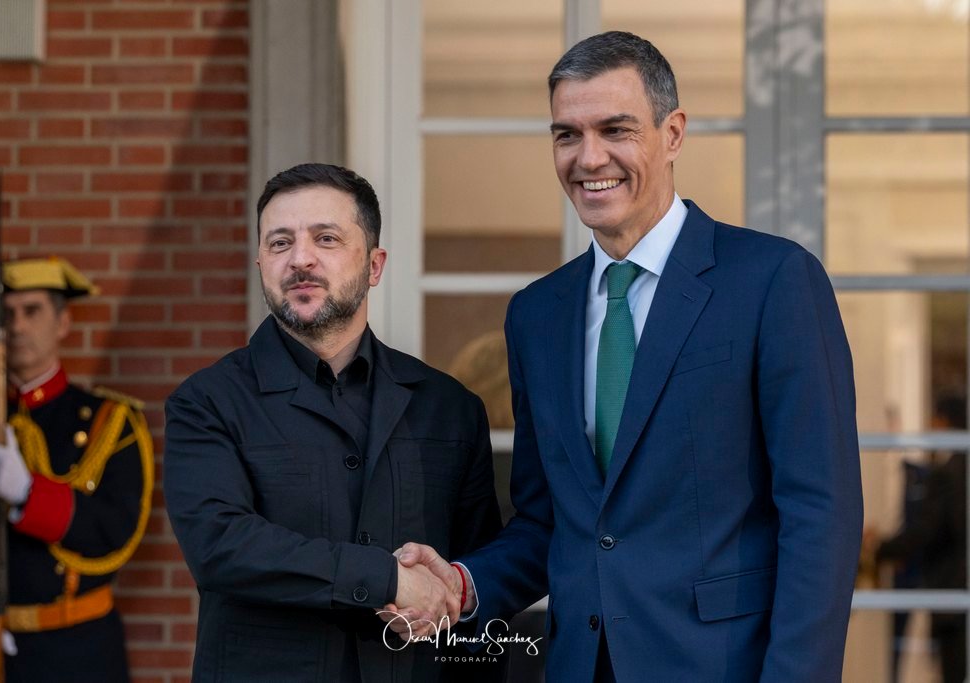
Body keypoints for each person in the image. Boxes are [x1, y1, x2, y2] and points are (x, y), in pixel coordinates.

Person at [394, 31, 863, 681]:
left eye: (615, 129)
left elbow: (820, 515)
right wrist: (464, 583)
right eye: (567, 135)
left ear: (672, 134)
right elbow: (549, 521)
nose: (589, 158)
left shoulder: (773, 281)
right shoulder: (536, 314)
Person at [163, 163, 503, 682]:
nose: (300, 259)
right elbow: (220, 545)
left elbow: (477, 583)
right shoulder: (207, 402)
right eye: (280, 243)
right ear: (260, 263)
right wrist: (386, 578)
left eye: (326, 238)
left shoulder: (449, 407)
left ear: (374, 265)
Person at [0, 257, 154, 682]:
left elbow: (115, 531)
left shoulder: (109, 421)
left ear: (63, 322)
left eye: (32, 311)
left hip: (77, 651)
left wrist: (29, 495)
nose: (17, 326)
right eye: (6, 314)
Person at [876, 394, 967, 683]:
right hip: (952, 589)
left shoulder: (948, 473)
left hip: (951, 589)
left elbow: (924, 530)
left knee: (953, 668)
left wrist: (878, 549)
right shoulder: (954, 469)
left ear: (943, 420)